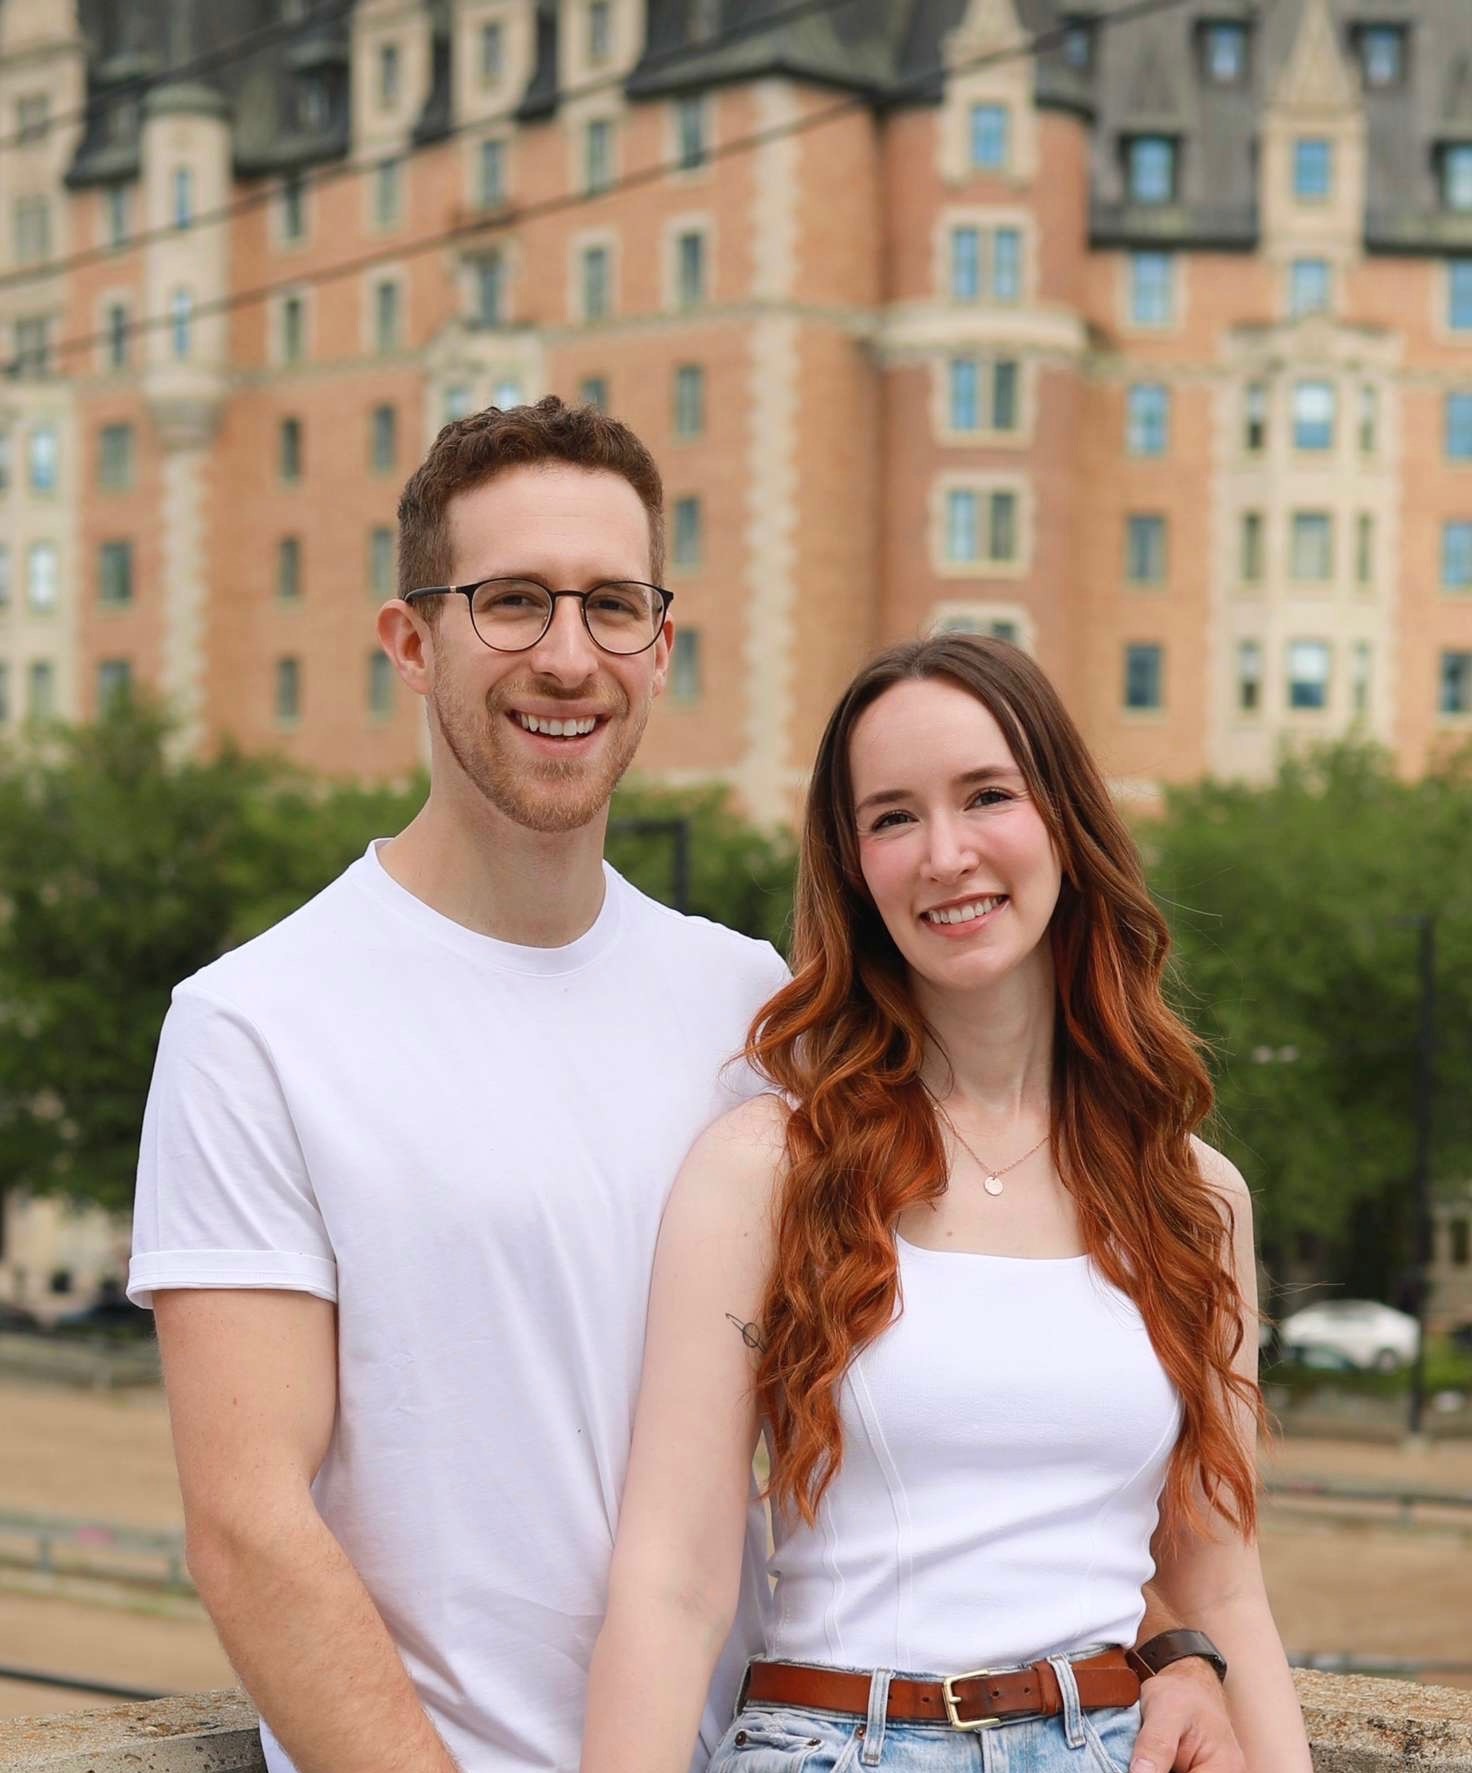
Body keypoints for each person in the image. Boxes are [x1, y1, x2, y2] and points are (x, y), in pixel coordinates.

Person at [130, 402, 1241, 1773]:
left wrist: (1172, 1643)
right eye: (512, 601)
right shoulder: (256, 1026)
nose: (567, 655)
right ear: (411, 643)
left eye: (611, 606)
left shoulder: (751, 1008)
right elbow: (248, 1530)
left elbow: (989, 1381)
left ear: (660, 649)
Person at [583, 635, 1311, 1773]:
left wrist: (1200, 1677)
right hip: (834, 1744)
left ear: (1063, 819)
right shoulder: (770, 1166)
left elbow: (1222, 1588)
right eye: (892, 817)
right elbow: (673, 1581)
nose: (944, 854)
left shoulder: (1192, 1196)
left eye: (986, 795)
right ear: (855, 867)